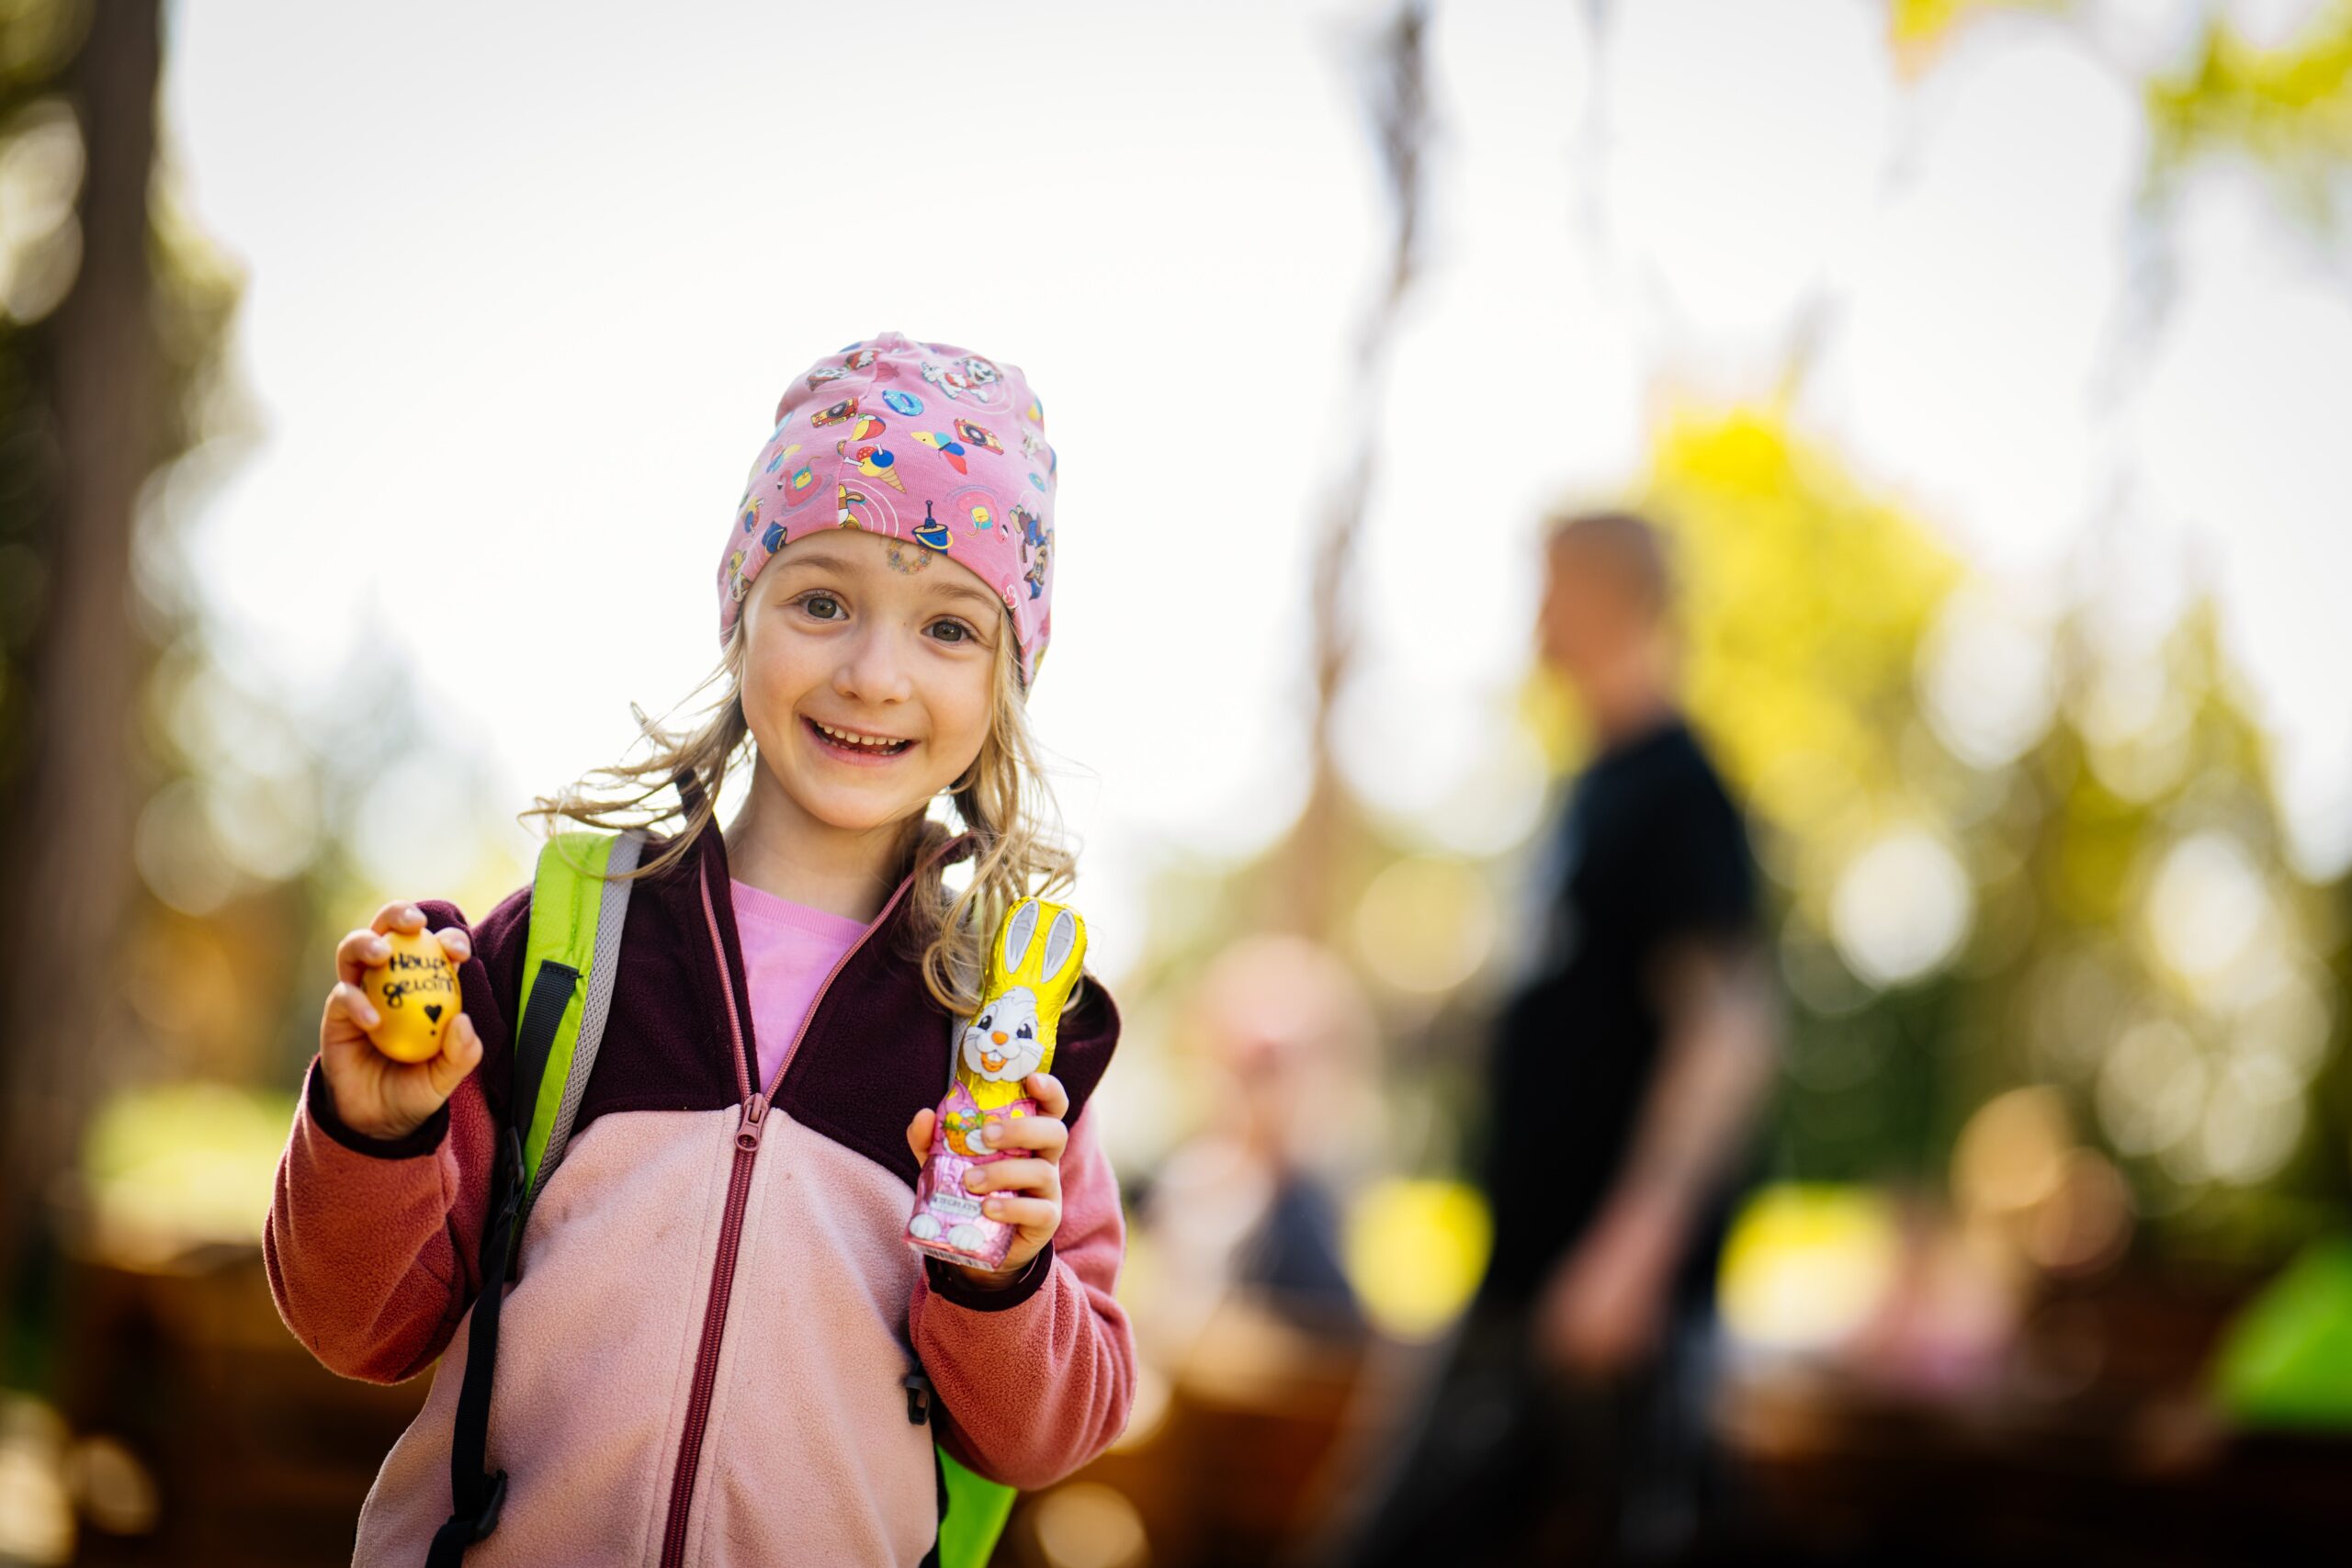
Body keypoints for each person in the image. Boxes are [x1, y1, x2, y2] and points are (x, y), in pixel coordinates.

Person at [264, 333, 1135, 1565]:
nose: (874, 673)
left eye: (949, 628)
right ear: (743, 613)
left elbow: (1048, 1432)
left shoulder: (1012, 1031)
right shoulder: (566, 941)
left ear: (1006, 680)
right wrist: (374, 1134)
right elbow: (359, 1324)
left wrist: (1004, 1273)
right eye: (823, 600)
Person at [1339, 508, 1779, 1567]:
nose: (1532, 616)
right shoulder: (1589, 790)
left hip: (1607, 1295)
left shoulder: (1681, 791)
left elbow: (1728, 1034)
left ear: (1615, 598)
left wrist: (1635, 1249)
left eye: (1550, 587)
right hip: (1525, 1269)